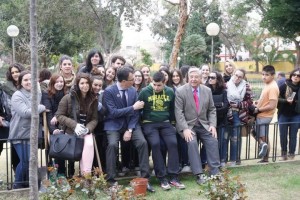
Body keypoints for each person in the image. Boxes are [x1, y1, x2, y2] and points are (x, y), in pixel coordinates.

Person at [103, 67, 154, 192]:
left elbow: (136, 113)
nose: (134, 81)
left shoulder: (132, 90)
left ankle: (145, 179)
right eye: (131, 79)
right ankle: (111, 180)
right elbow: (113, 113)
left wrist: (130, 129)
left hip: (131, 124)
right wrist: (132, 107)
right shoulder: (109, 91)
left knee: (142, 143)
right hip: (113, 124)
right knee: (112, 145)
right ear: (123, 81)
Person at [139, 71, 185, 191]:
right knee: (155, 144)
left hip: (166, 123)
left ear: (164, 82)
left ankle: (174, 176)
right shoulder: (144, 92)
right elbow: (138, 109)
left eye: (159, 85)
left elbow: (171, 110)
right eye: (154, 84)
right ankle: (162, 177)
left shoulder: (170, 91)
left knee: (173, 143)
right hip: (149, 123)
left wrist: (173, 124)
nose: (156, 87)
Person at [175, 67, 220, 185]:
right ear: (188, 78)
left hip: (204, 125)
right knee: (192, 143)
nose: (193, 79)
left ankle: (215, 172)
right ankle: (199, 174)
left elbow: (212, 109)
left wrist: (212, 125)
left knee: (213, 141)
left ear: (201, 78)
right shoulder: (180, 91)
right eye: (191, 77)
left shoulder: (207, 90)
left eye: (196, 77)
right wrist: (185, 129)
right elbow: (178, 112)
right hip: (189, 126)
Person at [9, 71, 46, 189]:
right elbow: (25, 113)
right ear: (20, 82)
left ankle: (27, 183)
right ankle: (17, 185)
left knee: (31, 161)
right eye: (25, 80)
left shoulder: (35, 93)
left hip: (32, 134)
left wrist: (37, 85)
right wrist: (42, 107)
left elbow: (38, 95)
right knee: (26, 161)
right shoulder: (17, 95)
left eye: (31, 79)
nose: (29, 82)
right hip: (20, 135)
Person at [56, 73, 98, 175]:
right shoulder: (67, 98)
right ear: (77, 85)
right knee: (71, 154)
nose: (85, 85)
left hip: (86, 131)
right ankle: (69, 175)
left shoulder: (94, 99)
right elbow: (59, 116)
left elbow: (94, 119)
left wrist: (88, 129)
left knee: (89, 144)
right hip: (71, 131)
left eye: (87, 83)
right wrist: (75, 125)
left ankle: (86, 175)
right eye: (82, 83)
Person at [41, 73, 68, 176]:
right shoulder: (46, 94)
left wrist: (58, 116)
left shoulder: (66, 94)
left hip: (64, 123)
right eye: (57, 82)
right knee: (53, 150)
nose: (60, 84)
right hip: (51, 126)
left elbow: (67, 109)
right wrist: (53, 129)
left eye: (61, 82)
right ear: (52, 83)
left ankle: (65, 172)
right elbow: (48, 113)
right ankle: (54, 174)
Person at [0, 63, 25, 173]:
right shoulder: (5, 87)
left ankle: (24, 177)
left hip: (25, 120)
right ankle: (17, 176)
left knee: (23, 149)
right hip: (11, 119)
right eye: (13, 72)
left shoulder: (27, 84)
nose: (15, 74)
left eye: (17, 71)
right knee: (12, 148)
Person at [252, 65, 279, 163]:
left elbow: (272, 105)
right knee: (256, 133)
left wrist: (258, 110)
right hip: (262, 115)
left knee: (263, 137)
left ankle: (265, 158)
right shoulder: (268, 84)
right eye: (262, 74)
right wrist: (257, 102)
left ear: (273, 75)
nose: (264, 77)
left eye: (266, 75)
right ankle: (263, 148)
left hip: (265, 116)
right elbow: (265, 100)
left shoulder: (272, 87)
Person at [226, 69, 253, 166]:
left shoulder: (246, 86)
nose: (237, 78)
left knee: (236, 138)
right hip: (227, 114)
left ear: (243, 78)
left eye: (240, 76)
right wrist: (230, 104)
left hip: (239, 114)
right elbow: (224, 99)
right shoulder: (226, 85)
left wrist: (238, 104)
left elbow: (250, 101)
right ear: (233, 74)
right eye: (236, 75)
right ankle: (224, 160)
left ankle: (235, 159)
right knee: (225, 137)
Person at [206, 71, 229, 167]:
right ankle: (210, 161)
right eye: (209, 77)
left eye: (212, 77)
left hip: (222, 120)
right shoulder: (206, 90)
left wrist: (215, 109)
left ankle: (222, 160)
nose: (210, 79)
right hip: (209, 121)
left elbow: (226, 106)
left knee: (223, 140)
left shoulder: (223, 91)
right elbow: (206, 107)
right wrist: (218, 106)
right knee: (211, 141)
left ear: (218, 79)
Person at [277, 68, 300, 160]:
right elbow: (276, 98)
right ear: (291, 75)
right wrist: (285, 100)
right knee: (283, 134)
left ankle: (291, 153)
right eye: (294, 74)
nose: (296, 77)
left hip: (296, 114)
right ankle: (283, 153)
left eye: (298, 75)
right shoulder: (284, 86)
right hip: (284, 113)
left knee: (293, 134)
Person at [91, 76, 107, 171]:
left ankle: (101, 171)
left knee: (101, 149)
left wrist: (99, 106)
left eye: (99, 85)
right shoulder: (86, 94)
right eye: (95, 85)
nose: (97, 87)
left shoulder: (103, 95)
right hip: (89, 126)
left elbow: (106, 111)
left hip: (101, 126)